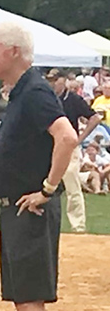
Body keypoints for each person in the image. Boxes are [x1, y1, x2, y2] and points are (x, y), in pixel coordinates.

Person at [0, 21, 77, 311]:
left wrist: (47, 188)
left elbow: (68, 137)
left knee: (30, 298)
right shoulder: (22, 92)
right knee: (24, 296)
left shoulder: (36, 91)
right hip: (16, 208)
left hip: (31, 208)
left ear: (14, 54)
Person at [47, 70, 101, 233]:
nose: (52, 83)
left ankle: (78, 226)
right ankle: (41, 222)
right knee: (44, 183)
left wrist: (80, 138)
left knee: (72, 184)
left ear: (64, 81)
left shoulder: (73, 99)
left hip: (69, 146)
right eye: (50, 80)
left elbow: (95, 117)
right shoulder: (47, 98)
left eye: (56, 79)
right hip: (48, 146)